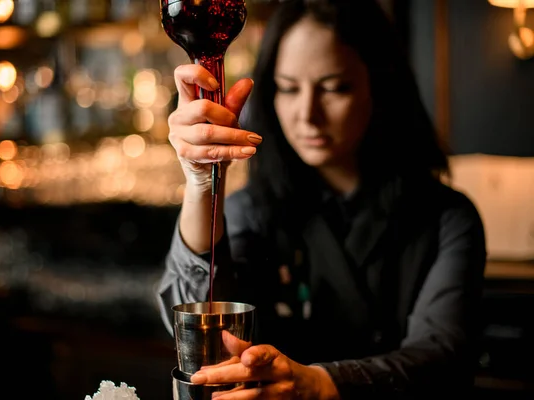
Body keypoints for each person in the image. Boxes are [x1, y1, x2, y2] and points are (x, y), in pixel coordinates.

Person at [156, 0, 487, 398]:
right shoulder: (255, 211)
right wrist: (201, 182)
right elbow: (199, 328)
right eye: (289, 88)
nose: (307, 114)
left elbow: (443, 356)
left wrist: (315, 384)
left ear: (379, 85)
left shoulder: (446, 219)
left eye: (333, 88)